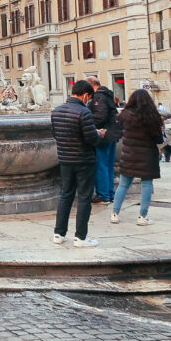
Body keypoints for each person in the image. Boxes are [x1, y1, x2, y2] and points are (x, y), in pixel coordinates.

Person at [50, 80, 106, 247]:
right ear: (86, 95)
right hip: (84, 161)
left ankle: (59, 234)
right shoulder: (84, 112)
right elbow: (91, 139)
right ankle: (80, 237)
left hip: (65, 160)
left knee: (65, 195)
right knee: (84, 198)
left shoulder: (56, 111)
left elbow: (56, 135)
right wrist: (99, 134)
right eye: (89, 98)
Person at [111, 89, 165, 226]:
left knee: (123, 185)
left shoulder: (125, 115)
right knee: (146, 184)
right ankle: (142, 216)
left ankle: (115, 214)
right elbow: (159, 139)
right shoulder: (152, 117)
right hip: (147, 156)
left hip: (129, 154)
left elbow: (119, 133)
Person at [87, 76, 119, 203]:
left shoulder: (98, 97)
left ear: (92, 85)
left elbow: (100, 117)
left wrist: (86, 120)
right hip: (112, 134)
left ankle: (103, 195)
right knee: (109, 166)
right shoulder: (107, 95)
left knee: (101, 165)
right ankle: (110, 193)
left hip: (103, 135)